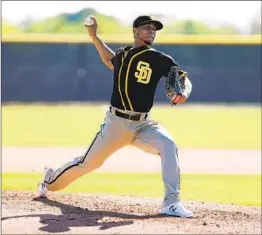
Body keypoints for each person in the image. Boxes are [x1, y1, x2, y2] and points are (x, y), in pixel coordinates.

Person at [37, 15, 193, 218]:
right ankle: (49, 179)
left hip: (143, 124)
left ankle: (171, 203)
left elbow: (183, 79)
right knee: (88, 163)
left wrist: (183, 93)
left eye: (154, 29)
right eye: (147, 28)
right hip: (116, 124)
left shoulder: (161, 59)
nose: (152, 32)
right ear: (135, 31)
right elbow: (109, 60)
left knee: (169, 145)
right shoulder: (124, 54)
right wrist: (94, 37)